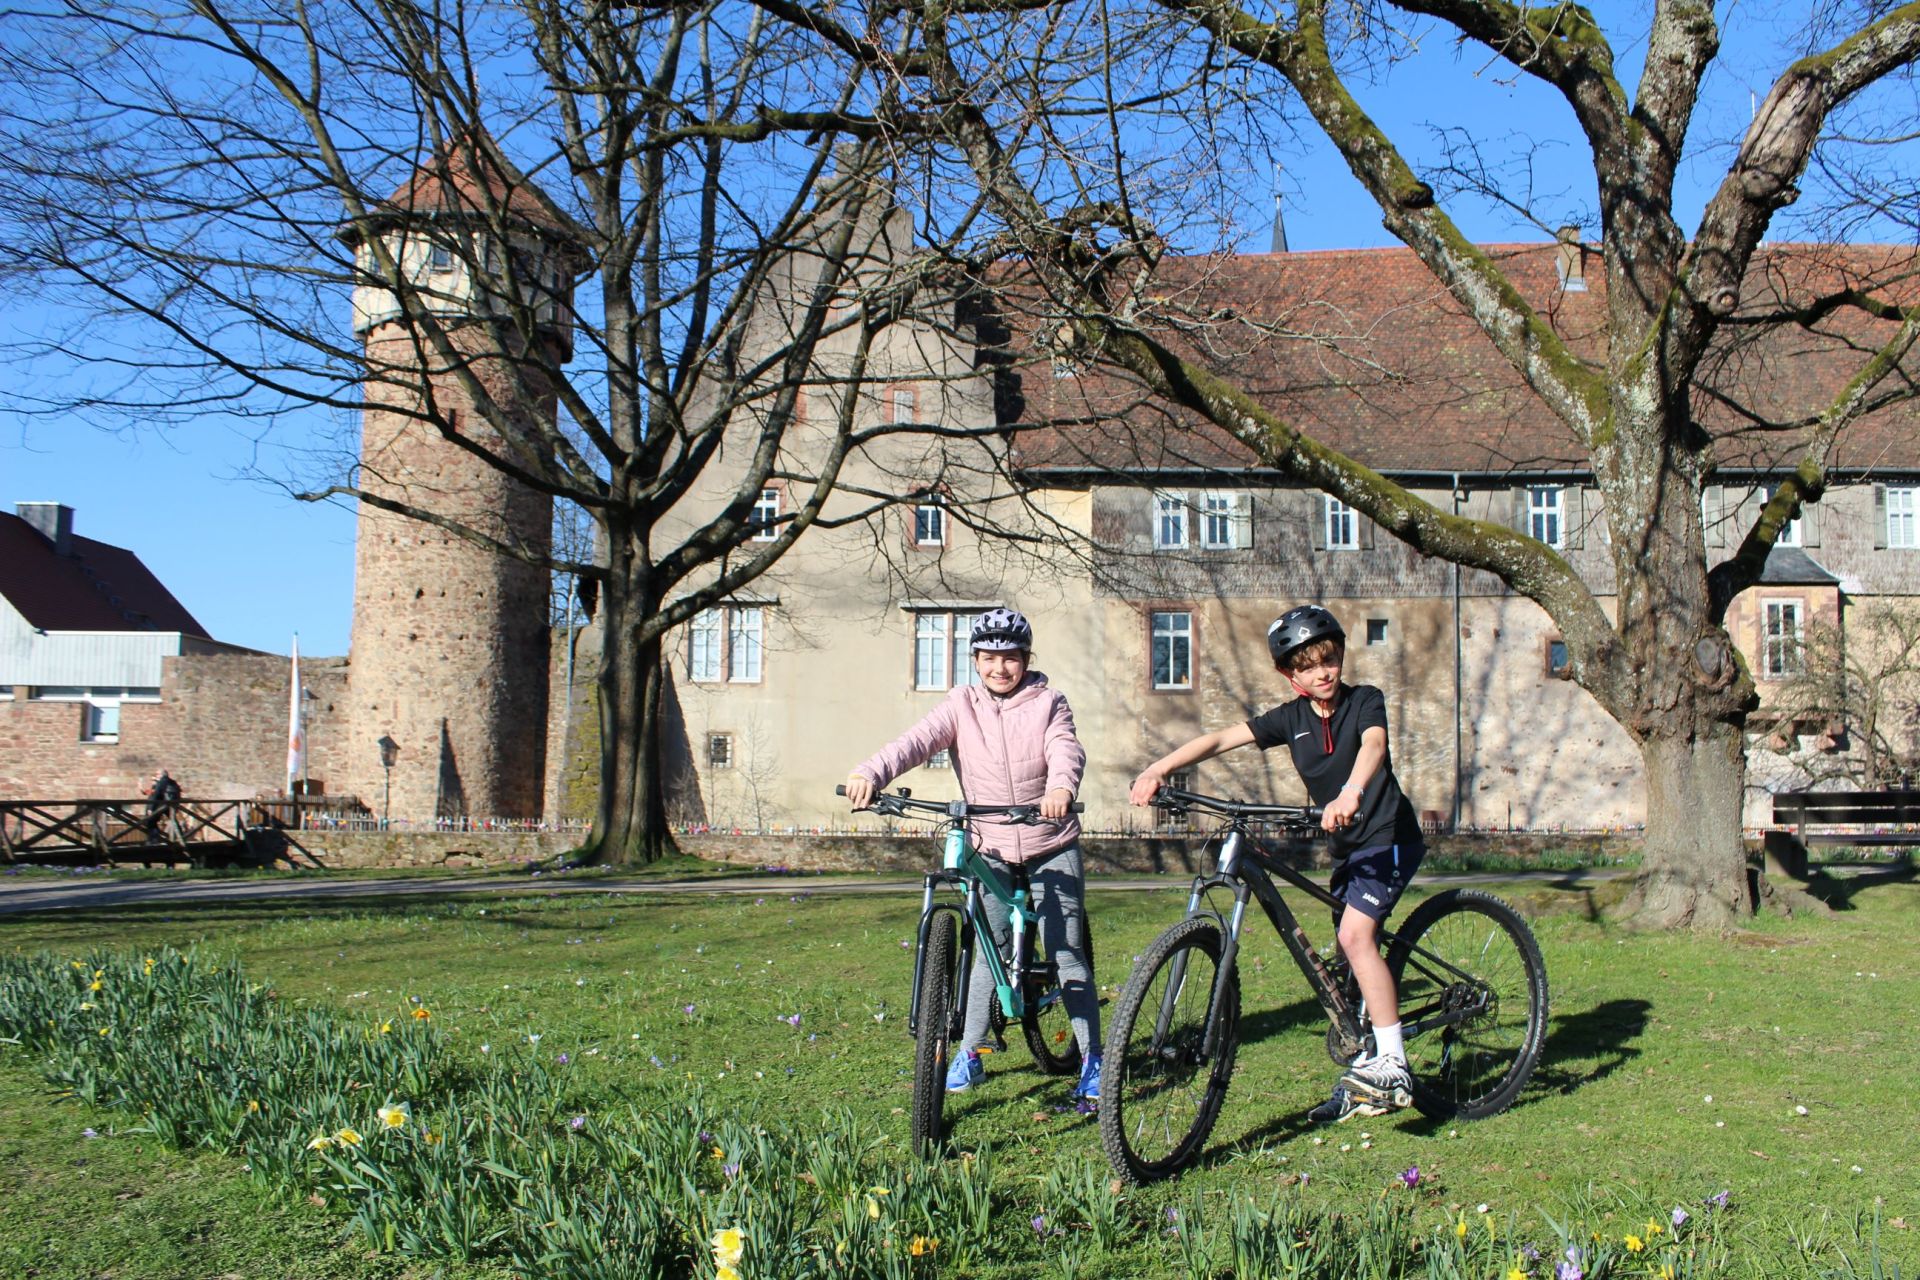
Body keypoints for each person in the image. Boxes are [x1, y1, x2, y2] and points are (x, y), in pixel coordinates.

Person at [1128, 604, 1427, 1123]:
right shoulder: (1291, 719)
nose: (1322, 672)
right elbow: (1222, 738)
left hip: (1387, 835)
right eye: (1307, 666)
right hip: (1347, 847)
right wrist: (1159, 768)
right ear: (1290, 675)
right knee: (1348, 957)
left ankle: (1395, 1062)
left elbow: (1374, 745)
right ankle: (1364, 1070)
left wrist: (1352, 792)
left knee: (1357, 938)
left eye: (1328, 659)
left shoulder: (1364, 702)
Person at [844, 607, 1103, 1103]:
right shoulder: (961, 703)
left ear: (1025, 660)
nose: (999, 668)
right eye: (988, 657)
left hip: (1049, 840)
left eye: (1009, 658)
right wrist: (871, 772)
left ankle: (1094, 1059)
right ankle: (972, 1051)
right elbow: (917, 741)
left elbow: (1065, 748)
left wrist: (1060, 788)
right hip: (993, 845)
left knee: (1066, 953)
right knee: (988, 947)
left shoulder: (1049, 702)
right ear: (975, 659)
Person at [143, 769, 182, 840]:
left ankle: (154, 840)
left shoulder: (161, 782)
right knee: (173, 820)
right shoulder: (173, 782)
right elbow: (178, 794)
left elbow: (156, 794)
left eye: (157, 774)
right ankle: (181, 837)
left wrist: (150, 808)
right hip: (171, 805)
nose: (156, 776)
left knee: (151, 821)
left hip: (162, 805)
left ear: (161, 775)